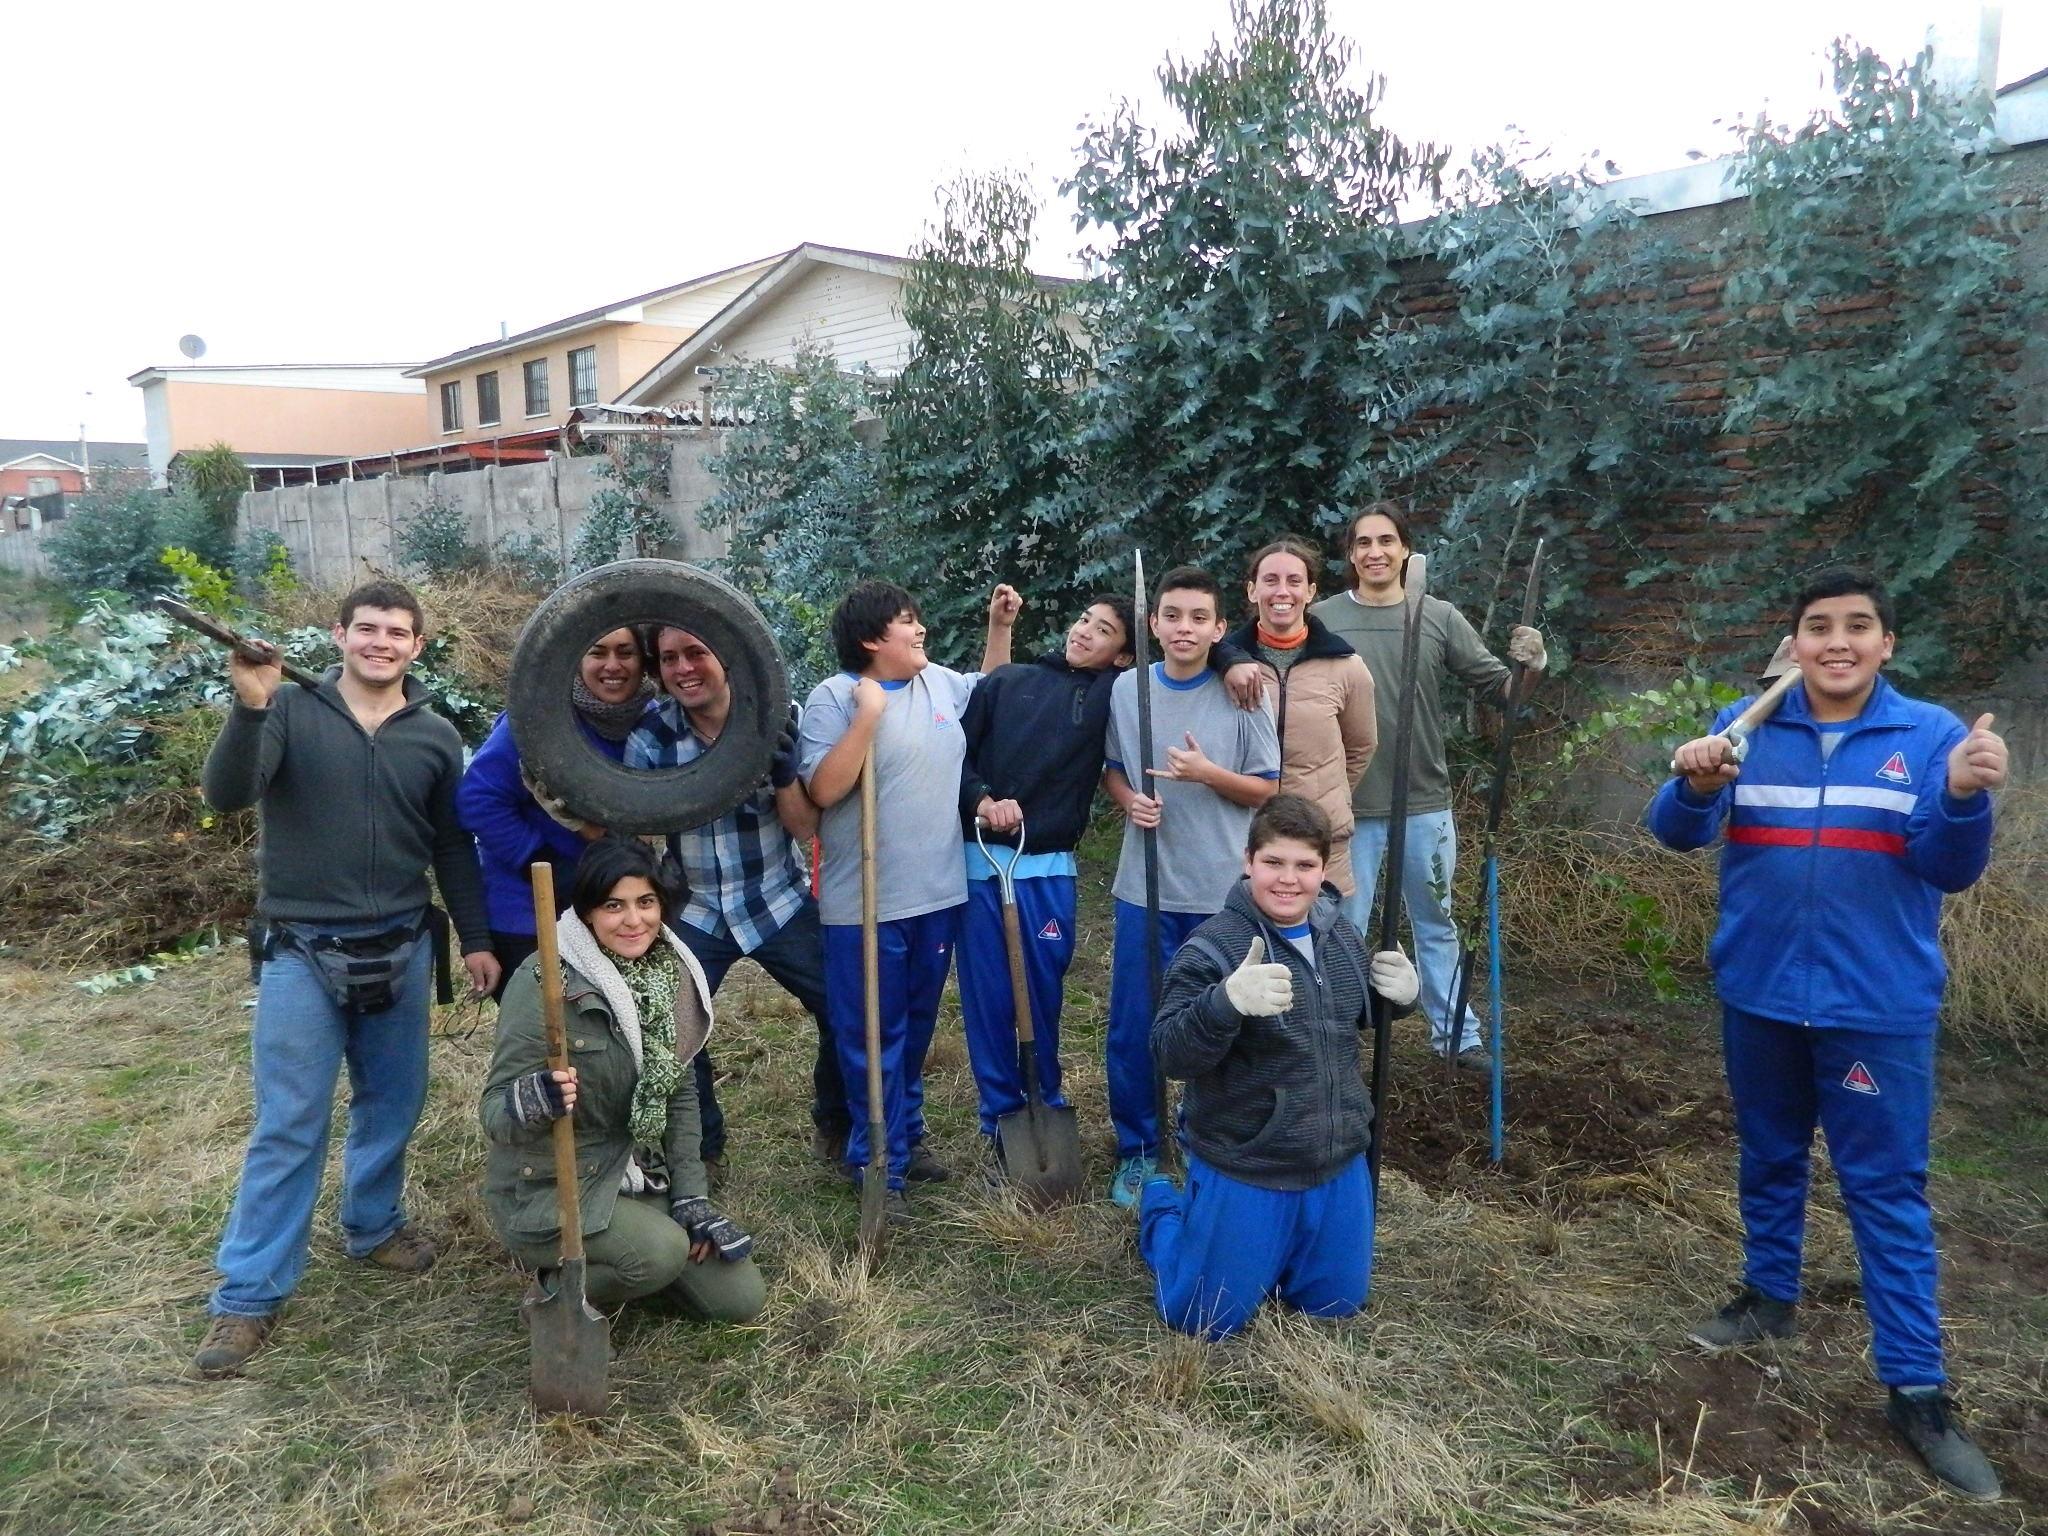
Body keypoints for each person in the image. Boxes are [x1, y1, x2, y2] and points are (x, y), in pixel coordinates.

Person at [1648, 568, 2006, 1503]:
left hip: (1874, 1011)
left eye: (1858, 627)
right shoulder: (1749, 721)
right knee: (1768, 1155)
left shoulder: (1927, 736)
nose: (1837, 642)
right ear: (1794, 645)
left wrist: (1965, 796)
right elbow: (1675, 833)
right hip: (1760, 993)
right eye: (1818, 627)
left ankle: (1918, 1393)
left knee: (1884, 1193)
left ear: (1886, 643)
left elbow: (1948, 867)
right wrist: (1691, 784)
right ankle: (1769, 1299)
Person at [192, 580, 499, 1379]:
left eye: (398, 632)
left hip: (401, 947)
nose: (381, 643)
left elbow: (452, 846)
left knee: (393, 1102)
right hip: (300, 948)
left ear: (417, 647)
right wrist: (250, 706)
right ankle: (247, 1296)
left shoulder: (435, 736)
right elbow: (225, 796)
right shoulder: (290, 713)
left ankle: (373, 1224)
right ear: (338, 634)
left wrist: (474, 938)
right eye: (367, 629)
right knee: (290, 1122)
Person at [1141, 794, 1418, 1338]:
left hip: (1336, 1159)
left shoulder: (1340, 935)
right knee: (1202, 1320)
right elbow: (1170, 1052)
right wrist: (1224, 1003)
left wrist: (1402, 998)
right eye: (1273, 862)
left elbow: (1353, 1014)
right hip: (1250, 1164)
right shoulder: (1213, 948)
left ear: (1323, 869)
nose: (1288, 880)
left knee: (1334, 1304)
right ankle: (1162, 1212)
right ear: (1248, 862)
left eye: (1305, 865)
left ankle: (1277, 1248)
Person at [798, 580, 1019, 1220]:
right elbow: (823, 790)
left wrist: (998, 628)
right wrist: (868, 717)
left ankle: (906, 1139)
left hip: (937, 893)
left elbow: (990, 690)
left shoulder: (940, 685)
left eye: (918, 620)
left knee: (916, 1030)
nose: (919, 630)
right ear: (871, 639)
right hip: (864, 905)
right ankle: (878, 1167)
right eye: (906, 622)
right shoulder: (836, 698)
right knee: (872, 1036)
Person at [479, 836, 764, 1322]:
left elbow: (680, 1096)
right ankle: (555, 1292)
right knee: (661, 1253)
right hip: (554, 1187)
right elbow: (494, 1113)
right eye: (614, 906)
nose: (634, 921)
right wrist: (532, 1100)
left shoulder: (670, 972)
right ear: (588, 911)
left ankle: (637, 1261)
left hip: (634, 1174)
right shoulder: (543, 982)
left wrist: (691, 1196)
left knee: (739, 1300)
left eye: (645, 902)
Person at [1307, 504, 1547, 1067]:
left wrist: (1531, 666)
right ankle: (1333, 1035)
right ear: (1350, 555)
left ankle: (1456, 1036)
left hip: (1423, 802)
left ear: (1406, 550)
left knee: (1435, 920)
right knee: (1341, 925)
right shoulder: (1322, 620)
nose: (1375, 553)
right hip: (1346, 805)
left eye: (1386, 541)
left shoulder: (1436, 615)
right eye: (1363, 543)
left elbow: (1502, 691)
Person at [626, 625, 846, 1165]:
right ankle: (703, 1152)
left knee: (847, 1008)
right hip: (694, 907)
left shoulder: (777, 717)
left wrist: (786, 776)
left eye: (697, 652)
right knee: (675, 1031)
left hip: (777, 899)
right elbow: (635, 837)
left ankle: (837, 1125)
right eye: (670, 658)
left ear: (726, 658)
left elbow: (804, 830)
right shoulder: (651, 736)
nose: (684, 669)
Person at [1102, 566, 1280, 1206]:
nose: (1184, 628)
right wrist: (1129, 801)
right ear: (1153, 624)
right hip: (1145, 889)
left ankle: (1212, 1141)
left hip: (1221, 892)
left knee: (1224, 1024)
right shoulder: (1127, 689)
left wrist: (1206, 773)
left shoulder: (1247, 690)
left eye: (1198, 618)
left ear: (1220, 628)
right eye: (1172, 616)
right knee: (1135, 1026)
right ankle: (1139, 1150)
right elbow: (1114, 769)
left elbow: (1267, 787)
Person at [457, 626, 656, 996]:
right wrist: (540, 859)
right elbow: (478, 799)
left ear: (644, 661)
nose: (612, 665)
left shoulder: (655, 721)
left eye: (625, 652)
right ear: (576, 660)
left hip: (615, 911)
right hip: (531, 915)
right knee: (551, 1041)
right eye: (598, 652)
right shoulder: (538, 722)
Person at [1221, 537, 1377, 895]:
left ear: (1310, 592)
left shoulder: (1347, 667)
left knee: (1324, 947)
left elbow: (1361, 746)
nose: (1282, 591)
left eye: (1294, 581)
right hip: (1244, 842)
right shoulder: (1221, 665)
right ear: (1251, 590)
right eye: (1270, 580)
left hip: (1322, 845)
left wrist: (1325, 797)